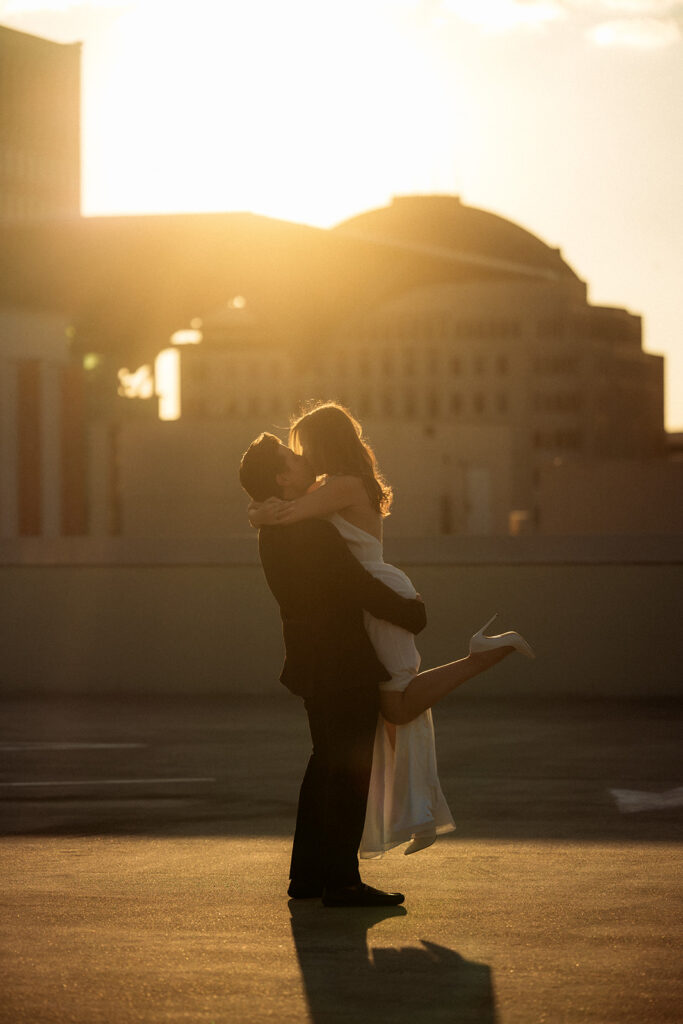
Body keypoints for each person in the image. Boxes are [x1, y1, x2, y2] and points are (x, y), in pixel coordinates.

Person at [248, 402, 534, 860]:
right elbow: (293, 511)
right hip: (370, 596)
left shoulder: (342, 485)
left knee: (397, 707)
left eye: (305, 446)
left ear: (324, 443)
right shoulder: (333, 485)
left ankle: (478, 661)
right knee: (394, 711)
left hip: (378, 594)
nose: (303, 456)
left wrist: (260, 514)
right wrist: (264, 509)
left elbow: (287, 514)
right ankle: (420, 812)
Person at [239, 433, 428, 908]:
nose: (302, 457)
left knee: (324, 765)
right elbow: (356, 585)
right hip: (343, 664)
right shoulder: (312, 533)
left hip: (310, 663)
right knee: (348, 771)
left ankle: (307, 876)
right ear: (282, 478)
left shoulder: (274, 532)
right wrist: (411, 614)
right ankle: (342, 882)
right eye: (291, 456)